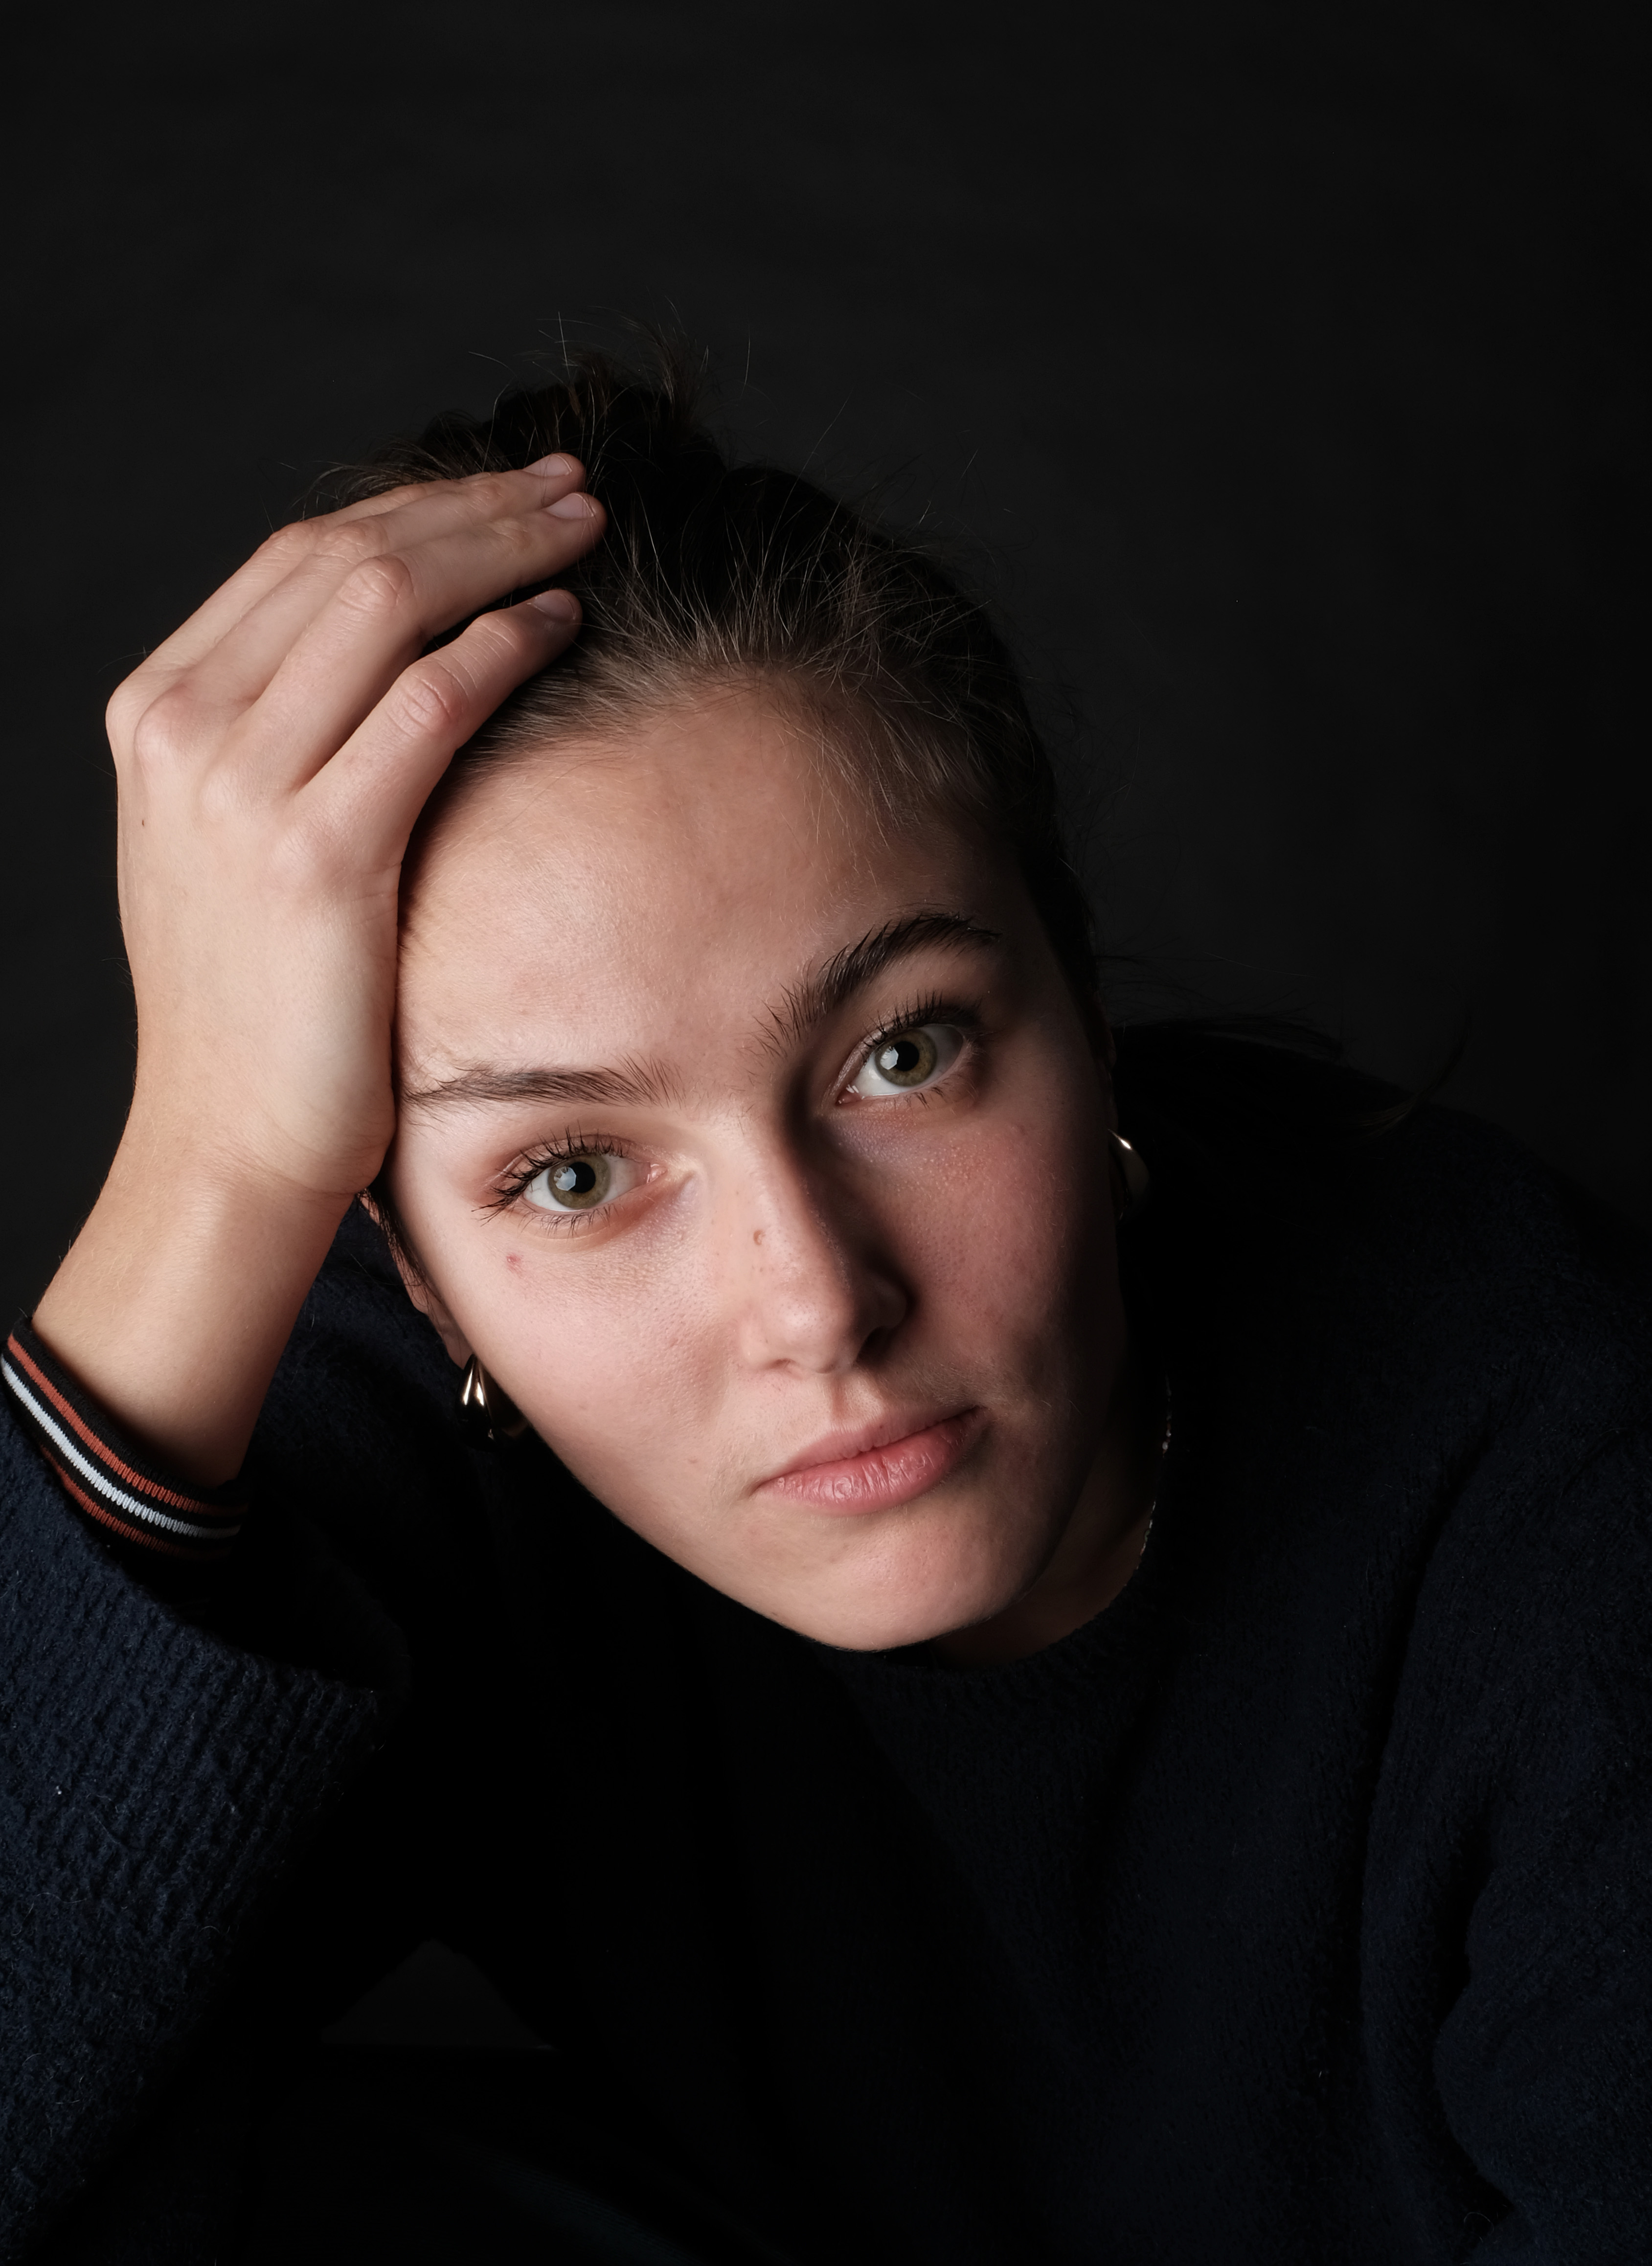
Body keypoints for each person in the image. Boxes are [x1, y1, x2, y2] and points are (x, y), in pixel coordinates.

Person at [2, 350, 1649, 2266]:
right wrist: (208, 1172)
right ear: (422, 1280)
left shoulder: (1557, 1499)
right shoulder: (443, 1433)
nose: (812, 1304)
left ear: (1084, 1016)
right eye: (572, 1174)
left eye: (904, 1052)